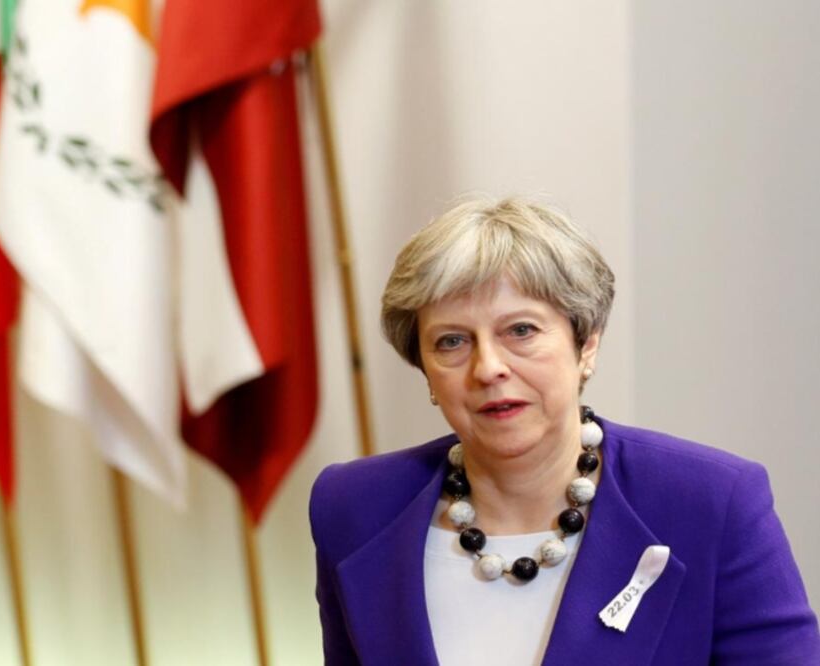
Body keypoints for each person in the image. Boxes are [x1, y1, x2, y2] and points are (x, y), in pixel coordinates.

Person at [309, 194, 820, 665]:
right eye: (451, 342)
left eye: (521, 331)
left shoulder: (710, 503)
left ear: (586, 344)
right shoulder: (353, 507)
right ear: (424, 368)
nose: (488, 367)